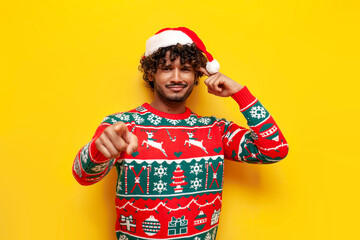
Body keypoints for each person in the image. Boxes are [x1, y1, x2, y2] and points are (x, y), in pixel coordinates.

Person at [72, 27, 289, 240]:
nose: (177, 77)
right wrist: (98, 150)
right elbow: (83, 175)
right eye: (166, 68)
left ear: (197, 74)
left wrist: (240, 94)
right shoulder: (121, 126)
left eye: (185, 68)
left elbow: (274, 150)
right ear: (151, 73)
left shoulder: (215, 130)